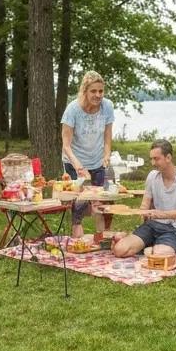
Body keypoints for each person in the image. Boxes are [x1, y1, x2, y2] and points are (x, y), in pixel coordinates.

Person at [111, 140, 176, 260]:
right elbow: (145, 205)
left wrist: (162, 214)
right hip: (152, 226)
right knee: (120, 250)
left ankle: (153, 247)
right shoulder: (152, 176)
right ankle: (150, 245)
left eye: (156, 159)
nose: (152, 163)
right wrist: (141, 213)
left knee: (160, 255)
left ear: (168, 157)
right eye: (151, 159)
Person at [61, 70, 115, 239]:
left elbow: (107, 137)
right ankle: (77, 236)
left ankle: (101, 237)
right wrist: (78, 165)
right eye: (93, 91)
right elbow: (66, 145)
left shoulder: (107, 106)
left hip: (97, 160)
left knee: (101, 199)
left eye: (101, 91)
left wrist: (106, 155)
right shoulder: (73, 109)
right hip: (74, 160)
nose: (98, 95)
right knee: (79, 200)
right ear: (85, 91)